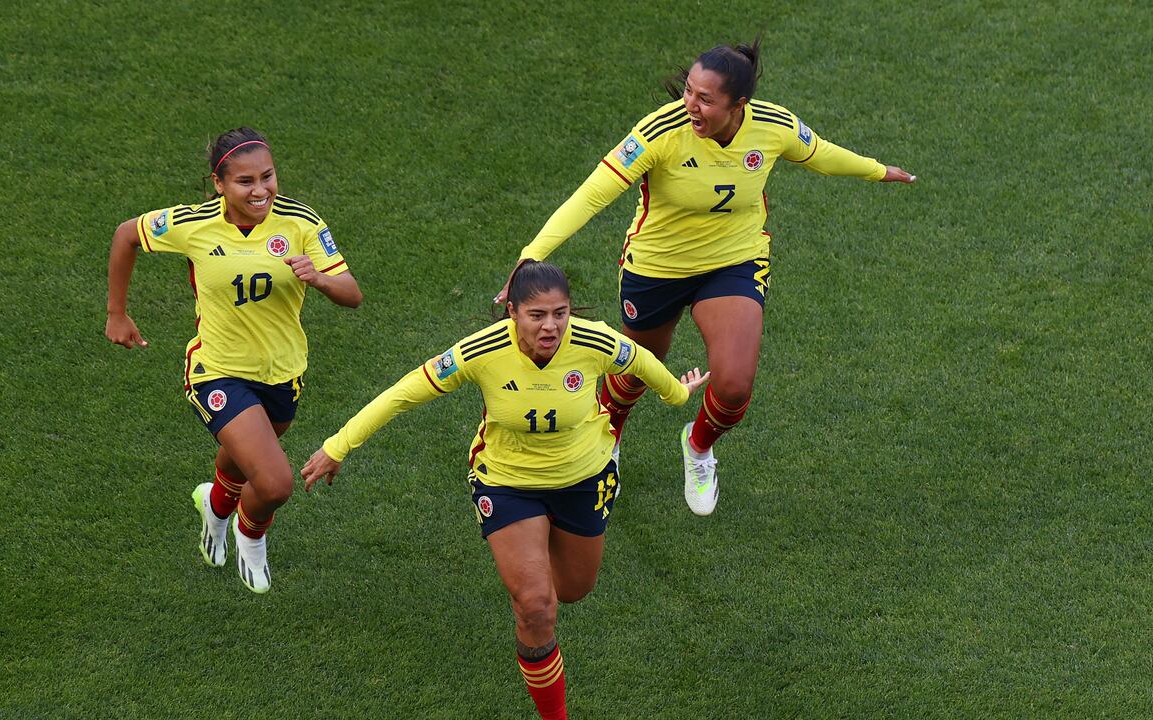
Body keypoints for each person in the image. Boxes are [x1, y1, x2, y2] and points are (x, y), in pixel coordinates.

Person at [496, 39, 915, 516]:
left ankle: (697, 449)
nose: (689, 105)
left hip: (733, 262)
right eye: (689, 92)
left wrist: (878, 171)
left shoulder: (772, 126)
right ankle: (606, 434)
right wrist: (531, 256)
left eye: (704, 99)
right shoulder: (661, 130)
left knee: (734, 385)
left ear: (739, 105)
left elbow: (820, 152)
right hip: (657, 266)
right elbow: (593, 194)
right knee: (639, 365)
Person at [301, 261, 707, 720]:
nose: (551, 325)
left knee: (573, 589)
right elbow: (406, 391)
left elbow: (639, 359)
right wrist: (339, 445)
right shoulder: (482, 351)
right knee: (536, 606)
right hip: (508, 482)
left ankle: (534, 561)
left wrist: (677, 393)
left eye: (560, 313)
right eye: (537, 315)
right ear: (512, 312)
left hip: (585, 477)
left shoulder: (594, 340)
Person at [106, 127, 362, 594]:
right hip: (216, 371)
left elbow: (352, 294)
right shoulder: (192, 224)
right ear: (219, 183)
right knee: (276, 483)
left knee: (243, 464)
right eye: (245, 181)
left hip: (284, 373)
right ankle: (250, 532)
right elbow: (126, 236)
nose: (260, 190)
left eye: (268, 176)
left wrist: (321, 281)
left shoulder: (301, 223)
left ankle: (216, 506)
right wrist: (116, 313)